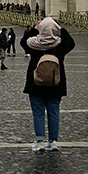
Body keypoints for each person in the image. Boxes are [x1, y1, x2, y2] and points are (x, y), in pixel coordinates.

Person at [21, 16, 73, 151]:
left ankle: (39, 141)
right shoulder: (60, 45)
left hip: (36, 84)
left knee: (38, 113)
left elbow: (23, 42)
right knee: (54, 112)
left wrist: (35, 29)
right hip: (55, 84)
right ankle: (53, 141)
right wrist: (60, 30)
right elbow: (71, 43)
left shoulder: (33, 45)